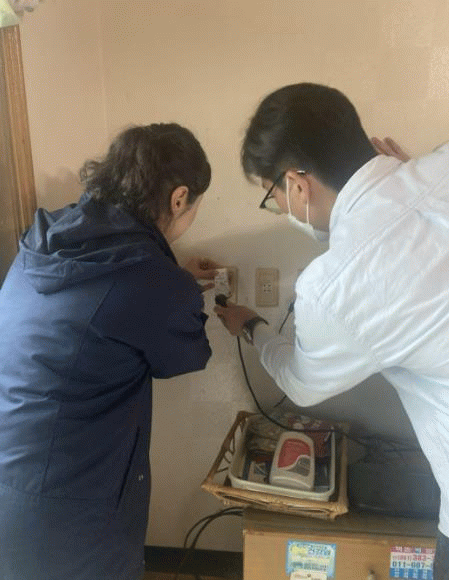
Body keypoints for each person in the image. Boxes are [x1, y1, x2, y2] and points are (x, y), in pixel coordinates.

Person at [214, 83, 449, 578]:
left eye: (274, 197)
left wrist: (251, 325)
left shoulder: (333, 287)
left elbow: (301, 382)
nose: (282, 208)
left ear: (297, 184)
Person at [0, 123, 218, 580]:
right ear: (179, 198)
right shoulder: (155, 280)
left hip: (11, 470)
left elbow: (104, 306)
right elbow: (185, 355)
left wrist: (171, 281)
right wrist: (179, 289)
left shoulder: (46, 238)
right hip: (72, 506)